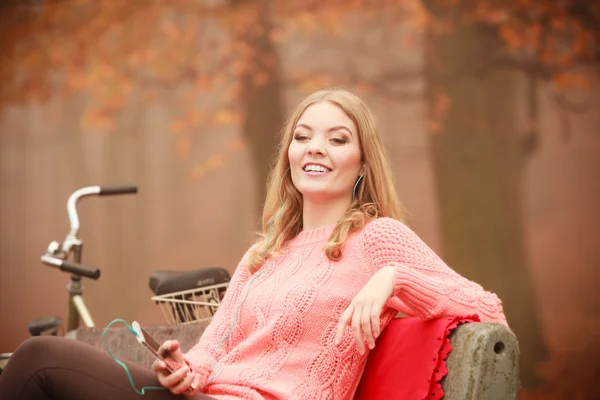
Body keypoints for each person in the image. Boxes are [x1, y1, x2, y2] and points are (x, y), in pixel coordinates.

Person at [0, 88, 508, 400]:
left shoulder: (377, 239)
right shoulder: (265, 253)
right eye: (304, 136)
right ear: (288, 153)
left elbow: (489, 311)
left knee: (42, 359)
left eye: (337, 139)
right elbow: (215, 349)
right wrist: (185, 369)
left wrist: (394, 278)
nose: (315, 148)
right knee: (40, 361)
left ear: (362, 163)